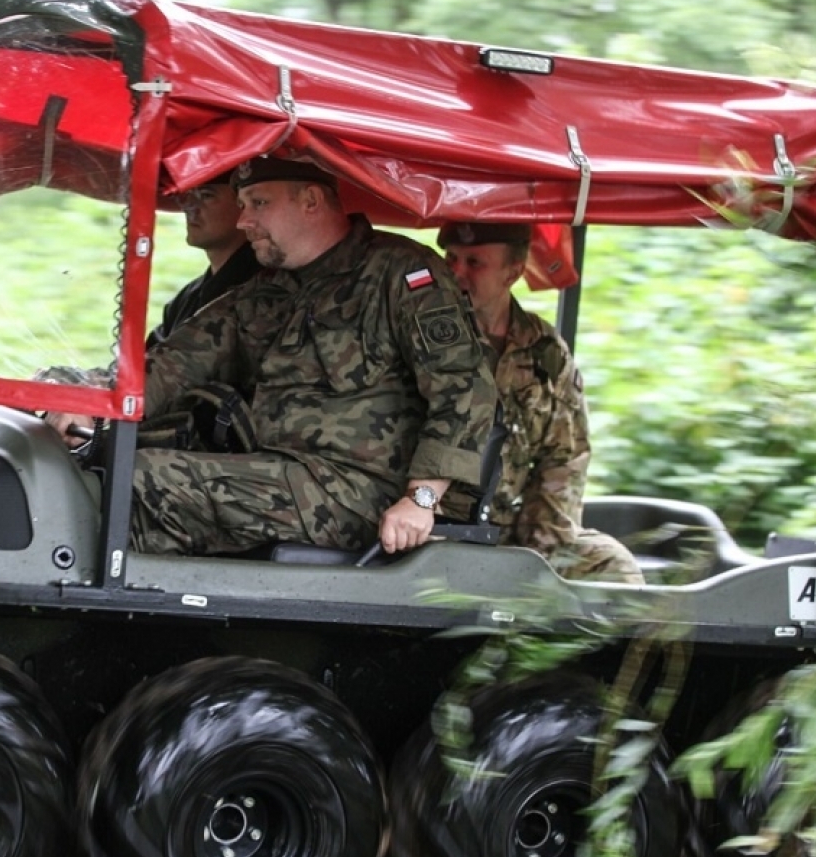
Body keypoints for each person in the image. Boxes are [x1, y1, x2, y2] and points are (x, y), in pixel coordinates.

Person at [128, 156, 498, 556]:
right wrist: (98, 404)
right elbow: (178, 360)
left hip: (362, 493)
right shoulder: (267, 290)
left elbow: (466, 387)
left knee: (144, 479)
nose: (243, 221)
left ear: (310, 201)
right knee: (114, 474)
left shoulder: (400, 273)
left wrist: (422, 498)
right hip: (278, 475)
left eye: (258, 203)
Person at [436, 221, 642, 583]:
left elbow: (564, 455)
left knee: (614, 569)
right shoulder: (428, 338)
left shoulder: (544, 350)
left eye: (474, 262)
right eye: (450, 258)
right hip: (433, 528)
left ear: (512, 272)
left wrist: (542, 550)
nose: (456, 272)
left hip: (514, 530)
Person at [147, 174, 263, 350]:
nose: (189, 207)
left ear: (245, 206)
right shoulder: (188, 296)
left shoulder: (263, 292)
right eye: (188, 195)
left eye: (207, 195)